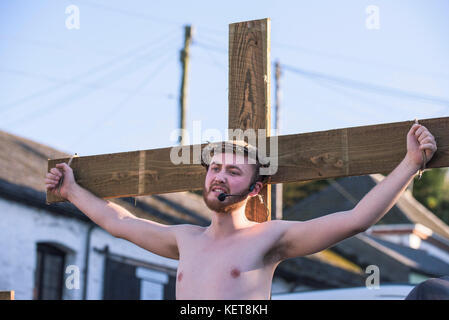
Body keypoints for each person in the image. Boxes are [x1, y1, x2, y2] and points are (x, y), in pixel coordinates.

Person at [45, 123, 437, 299]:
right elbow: (119, 221)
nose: (219, 177)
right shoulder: (185, 240)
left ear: (254, 188)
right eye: (215, 168)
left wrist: (411, 162)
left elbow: (357, 218)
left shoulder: (270, 238)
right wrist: (71, 190)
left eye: (233, 172)